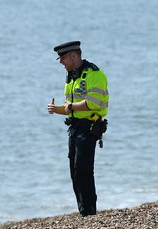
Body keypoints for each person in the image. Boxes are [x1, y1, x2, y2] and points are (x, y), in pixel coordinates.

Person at [47, 41, 109, 217]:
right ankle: (83, 210)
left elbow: (93, 103)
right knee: (75, 171)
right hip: (74, 128)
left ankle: (90, 211)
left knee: (83, 169)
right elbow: (69, 107)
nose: (61, 62)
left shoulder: (94, 74)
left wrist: (71, 107)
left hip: (89, 127)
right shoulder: (72, 76)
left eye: (63, 58)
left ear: (74, 56)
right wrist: (56, 109)